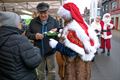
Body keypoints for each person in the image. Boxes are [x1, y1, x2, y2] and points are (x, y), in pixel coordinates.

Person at [49, 1, 100, 80]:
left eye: (63, 16)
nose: (62, 18)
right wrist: (60, 30)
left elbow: (72, 53)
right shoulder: (82, 25)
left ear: (67, 15)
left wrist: (56, 45)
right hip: (83, 68)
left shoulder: (72, 29)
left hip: (75, 70)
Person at [0, 11, 43, 80]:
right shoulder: (20, 40)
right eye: (19, 22)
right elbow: (34, 62)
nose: (21, 24)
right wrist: (36, 49)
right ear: (14, 24)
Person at [25, 2, 60, 80]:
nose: (43, 15)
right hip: (38, 51)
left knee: (52, 71)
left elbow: (59, 34)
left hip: (51, 51)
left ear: (48, 11)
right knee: (40, 71)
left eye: (45, 12)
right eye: (41, 13)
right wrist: (34, 36)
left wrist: (55, 33)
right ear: (38, 12)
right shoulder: (33, 22)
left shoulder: (54, 21)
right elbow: (27, 33)